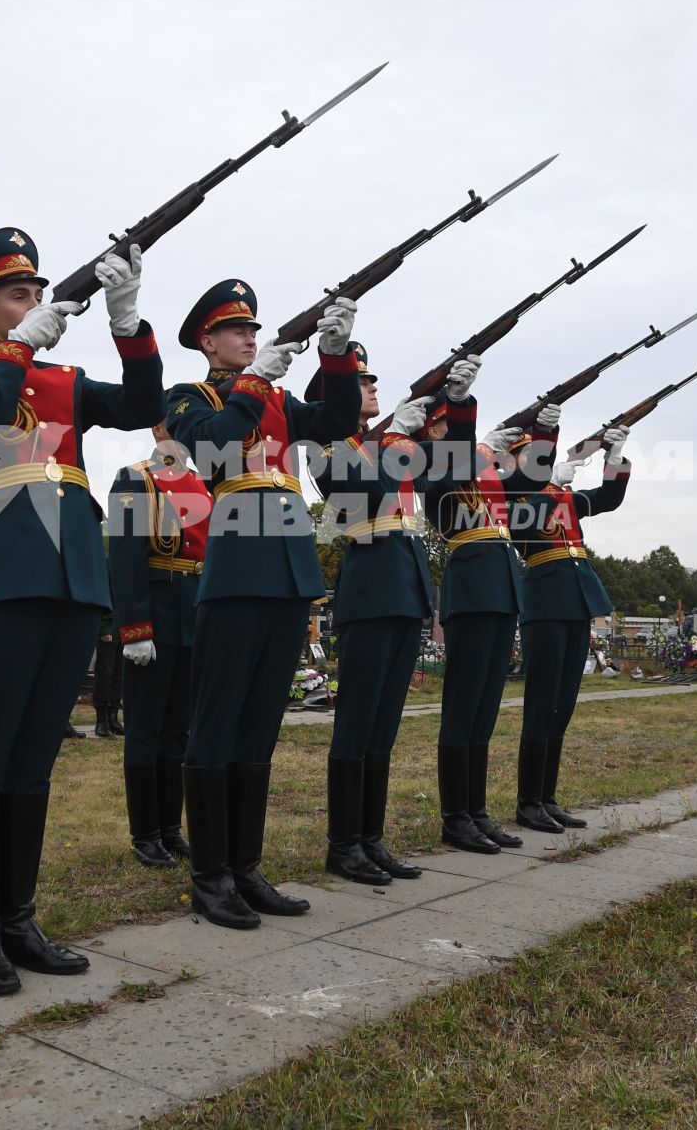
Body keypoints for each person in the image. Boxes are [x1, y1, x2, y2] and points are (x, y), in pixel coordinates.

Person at [0, 226, 163, 997]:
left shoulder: (66, 378)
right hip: (9, 572)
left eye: (37, 293)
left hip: (74, 578)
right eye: (17, 295)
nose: (34, 304)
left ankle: (19, 918)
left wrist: (128, 323)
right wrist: (17, 347)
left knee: (33, 761)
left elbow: (143, 405)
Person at [164, 279, 360, 929]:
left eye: (255, 329)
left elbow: (335, 422)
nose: (251, 338)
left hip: (287, 567)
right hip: (237, 564)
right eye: (237, 330)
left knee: (258, 730)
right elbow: (213, 446)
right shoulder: (190, 397)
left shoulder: (274, 396)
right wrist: (255, 384)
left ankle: (245, 867)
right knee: (217, 725)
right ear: (207, 341)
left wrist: (334, 357)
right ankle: (211, 874)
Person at [309, 346, 479, 884]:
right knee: (356, 723)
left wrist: (459, 406)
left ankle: (370, 839)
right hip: (369, 590)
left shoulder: (390, 445)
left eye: (372, 380)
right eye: (360, 382)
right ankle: (343, 846)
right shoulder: (327, 447)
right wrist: (389, 442)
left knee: (383, 726)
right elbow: (364, 497)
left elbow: (449, 477)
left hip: (407, 590)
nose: (373, 387)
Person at [420, 394, 541, 854]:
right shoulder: (430, 467)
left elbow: (530, 482)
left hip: (500, 584)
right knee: (462, 709)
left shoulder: (479, 468)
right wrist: (481, 448)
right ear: (432, 431)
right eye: (446, 425)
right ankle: (455, 817)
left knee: (485, 710)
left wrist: (545, 433)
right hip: (470, 585)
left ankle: (476, 811)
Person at [507, 422, 632, 833]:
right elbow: (524, 528)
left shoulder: (562, 495)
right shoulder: (514, 496)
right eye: (528, 456)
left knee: (562, 705)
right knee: (542, 703)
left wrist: (613, 459)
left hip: (577, 598)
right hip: (545, 599)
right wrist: (552, 483)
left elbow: (608, 499)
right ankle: (528, 802)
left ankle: (547, 797)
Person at [106, 424, 210, 868]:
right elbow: (125, 555)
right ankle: (145, 832)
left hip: (195, 612)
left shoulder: (204, 483)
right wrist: (134, 627)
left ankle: (171, 827)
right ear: (161, 429)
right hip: (157, 611)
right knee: (145, 729)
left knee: (179, 731)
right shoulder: (136, 477)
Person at [91, 612, 124, 738]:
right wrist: (104, 627)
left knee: (119, 674)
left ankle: (113, 718)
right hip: (110, 625)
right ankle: (101, 720)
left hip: (124, 626)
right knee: (104, 674)